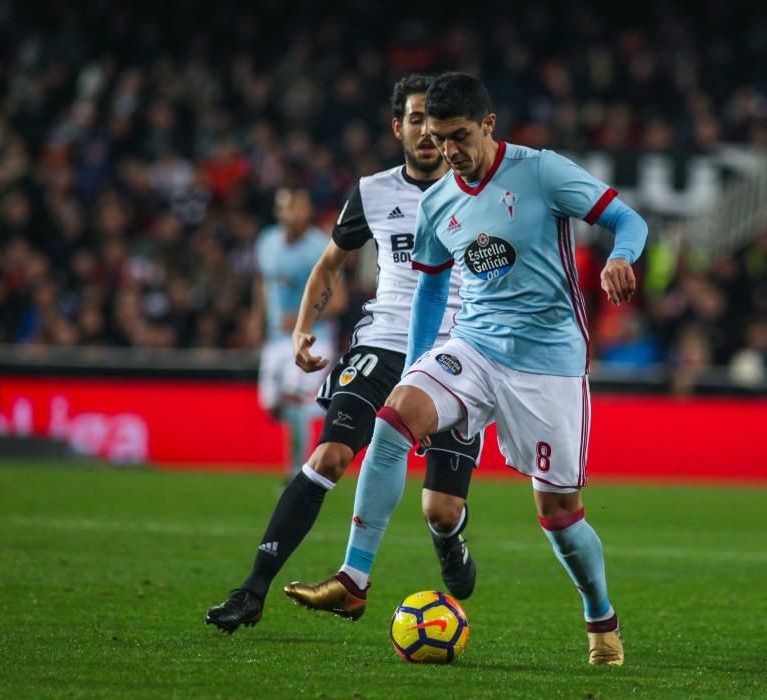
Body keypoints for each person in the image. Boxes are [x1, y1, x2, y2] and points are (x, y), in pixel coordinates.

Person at [284, 72, 647, 667]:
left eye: (458, 136)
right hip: (474, 345)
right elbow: (430, 288)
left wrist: (621, 259)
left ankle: (600, 618)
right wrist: (421, 364)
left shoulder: (541, 171)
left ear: (488, 126)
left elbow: (628, 221)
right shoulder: (439, 200)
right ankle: (355, 578)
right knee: (393, 418)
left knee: (558, 514)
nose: (449, 150)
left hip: (548, 365)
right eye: (437, 136)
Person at [206, 75, 483, 634]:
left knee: (441, 509)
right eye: (414, 120)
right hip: (381, 344)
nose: (426, 132)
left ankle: (449, 538)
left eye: (434, 120)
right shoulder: (374, 192)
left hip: (459, 352)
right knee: (330, 456)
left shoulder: (476, 192)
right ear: (398, 127)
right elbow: (330, 264)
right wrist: (302, 329)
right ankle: (252, 590)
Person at [252, 186, 343, 480]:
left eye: (298, 207)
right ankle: (334, 410)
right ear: (278, 212)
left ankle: (295, 474)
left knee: (293, 398)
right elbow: (264, 283)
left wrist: (302, 319)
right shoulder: (266, 242)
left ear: (308, 211)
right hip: (276, 339)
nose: (291, 214)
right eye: (286, 208)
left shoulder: (321, 246)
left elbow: (339, 300)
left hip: (313, 337)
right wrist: (257, 318)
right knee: (271, 406)